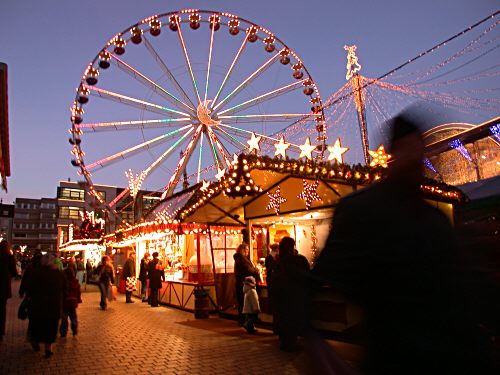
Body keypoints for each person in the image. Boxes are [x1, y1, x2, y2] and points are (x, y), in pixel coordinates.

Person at [312, 110, 500, 375]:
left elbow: (462, 287)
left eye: (419, 151)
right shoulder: (362, 210)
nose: (417, 159)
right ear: (395, 153)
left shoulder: (433, 219)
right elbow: (316, 284)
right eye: (410, 150)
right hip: (395, 355)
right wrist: (318, 348)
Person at [23, 254, 65, 358]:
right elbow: (65, 288)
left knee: (37, 325)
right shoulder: (59, 274)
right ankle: (48, 349)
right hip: (53, 305)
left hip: (37, 305)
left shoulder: (36, 273)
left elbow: (29, 288)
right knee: (51, 327)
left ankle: (35, 341)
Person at [272, 237, 310, 352]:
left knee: (284, 318)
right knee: (292, 319)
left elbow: (275, 280)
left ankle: (285, 342)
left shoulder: (279, 262)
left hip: (282, 297)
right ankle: (291, 343)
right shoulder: (299, 260)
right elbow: (306, 276)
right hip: (294, 296)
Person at [233, 243, 260, 326]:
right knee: (245, 304)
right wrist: (256, 270)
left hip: (241, 284)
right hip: (244, 284)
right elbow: (248, 270)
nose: (248, 251)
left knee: (243, 304)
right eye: (247, 249)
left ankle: (243, 320)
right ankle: (245, 321)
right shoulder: (242, 260)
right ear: (243, 250)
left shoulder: (240, 259)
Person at [0, 240, 17, 343]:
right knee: (2, 310)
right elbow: (14, 273)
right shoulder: (9, 257)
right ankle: (0, 333)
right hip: (3, 287)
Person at [60, 267, 82, 337]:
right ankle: (74, 326)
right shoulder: (76, 282)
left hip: (65, 302)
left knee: (64, 318)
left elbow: (61, 293)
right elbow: (78, 292)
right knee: (73, 316)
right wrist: (78, 300)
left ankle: (63, 332)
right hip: (73, 302)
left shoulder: (63, 282)